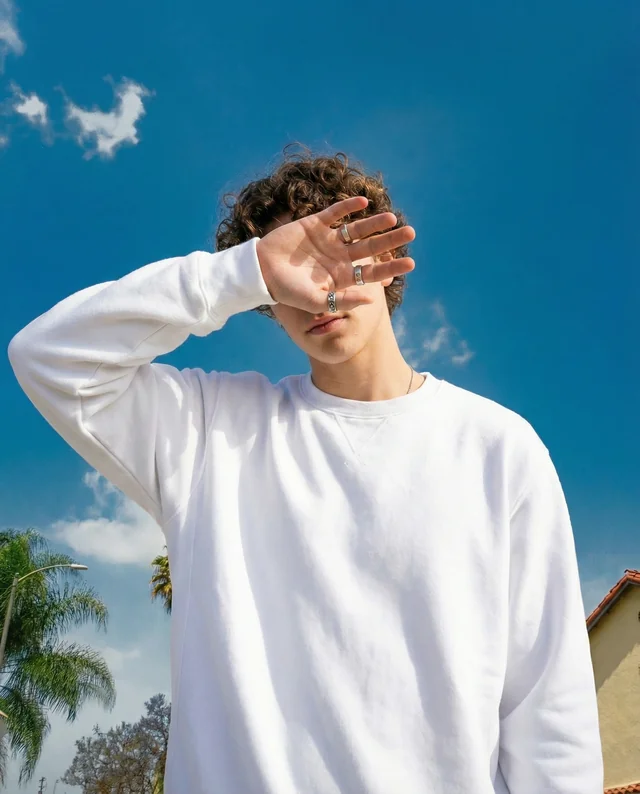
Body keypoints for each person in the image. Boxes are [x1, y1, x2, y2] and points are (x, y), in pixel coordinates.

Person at [9, 149, 603, 794]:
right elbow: (48, 357)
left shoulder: (498, 447)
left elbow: (549, 709)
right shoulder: (208, 430)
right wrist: (242, 272)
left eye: (337, 255)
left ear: (384, 255)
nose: (318, 289)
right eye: (291, 268)